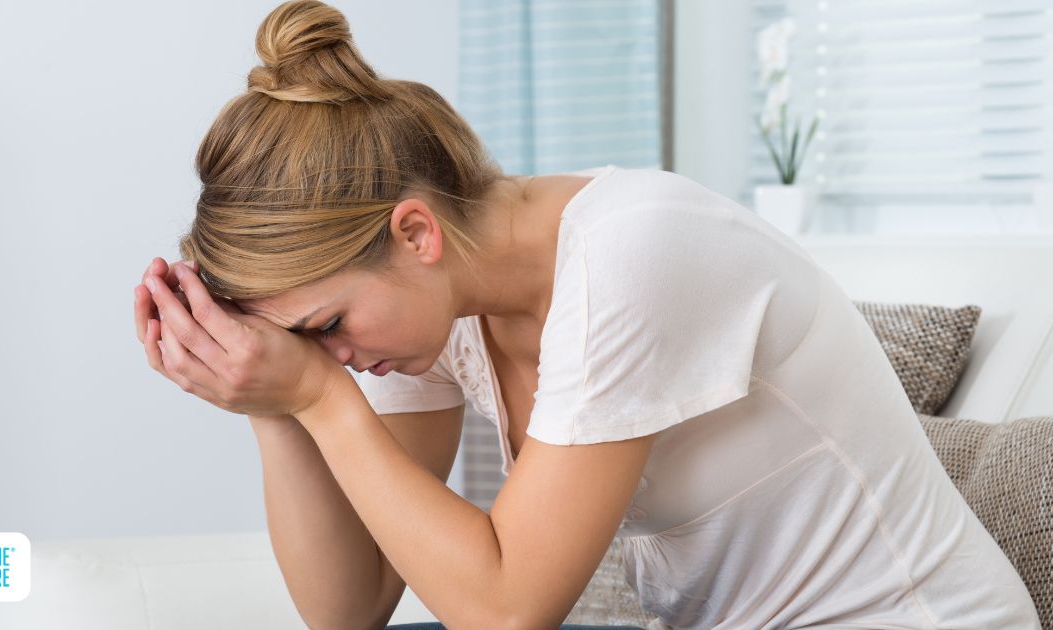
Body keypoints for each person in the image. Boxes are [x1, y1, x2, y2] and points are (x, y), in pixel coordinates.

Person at [133, 1, 1041, 628]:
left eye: (326, 325)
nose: (334, 358)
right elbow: (351, 605)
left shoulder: (633, 250)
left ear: (414, 233)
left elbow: (507, 608)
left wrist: (323, 402)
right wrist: (275, 402)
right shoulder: (434, 315)